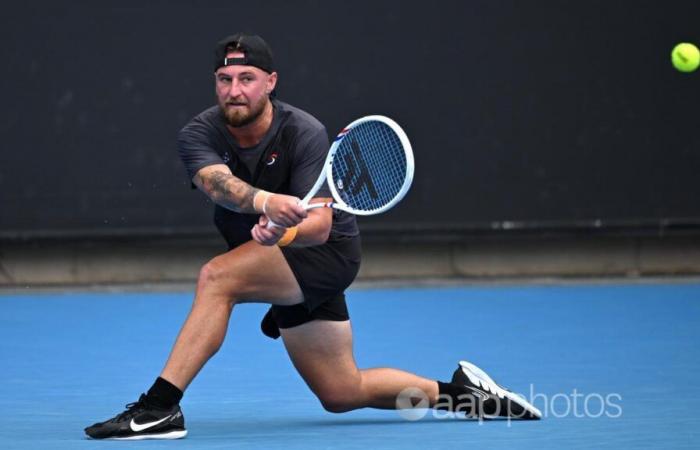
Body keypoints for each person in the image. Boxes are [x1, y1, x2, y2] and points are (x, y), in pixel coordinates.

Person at [84, 33, 541, 440]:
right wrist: (267, 205)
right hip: (273, 257)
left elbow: (320, 227)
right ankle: (464, 395)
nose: (234, 90)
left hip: (329, 255)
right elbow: (216, 184)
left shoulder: (304, 133)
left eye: (247, 77)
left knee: (218, 278)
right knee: (341, 392)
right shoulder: (199, 132)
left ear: (271, 82)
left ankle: (160, 407)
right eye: (225, 79)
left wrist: (282, 234)